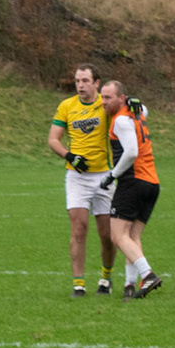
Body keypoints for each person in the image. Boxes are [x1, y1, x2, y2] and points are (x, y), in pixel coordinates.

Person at [48, 64, 118, 296]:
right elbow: (53, 139)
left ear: (96, 83)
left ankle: (106, 279)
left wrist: (137, 105)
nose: (80, 85)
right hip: (76, 177)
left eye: (85, 81)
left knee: (107, 234)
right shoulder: (67, 106)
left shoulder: (104, 104)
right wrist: (70, 156)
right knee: (79, 229)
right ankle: (78, 284)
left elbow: (128, 110)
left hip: (104, 176)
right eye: (78, 81)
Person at [100, 81, 162, 299]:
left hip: (133, 182)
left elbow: (131, 152)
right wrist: (136, 101)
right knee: (132, 236)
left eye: (108, 97)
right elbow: (144, 109)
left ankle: (148, 275)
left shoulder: (120, 120)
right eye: (102, 97)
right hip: (151, 183)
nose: (103, 102)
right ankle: (129, 285)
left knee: (117, 236)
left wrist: (112, 175)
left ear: (121, 98)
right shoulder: (137, 112)